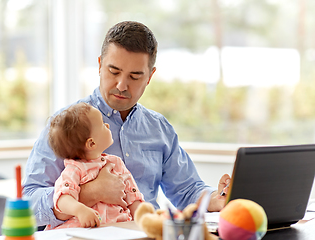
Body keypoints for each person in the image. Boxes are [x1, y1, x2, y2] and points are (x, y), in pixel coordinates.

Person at [23, 20, 231, 229]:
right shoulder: (66, 125)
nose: (122, 85)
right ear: (99, 65)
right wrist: (90, 192)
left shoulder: (159, 128)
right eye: (114, 72)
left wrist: (217, 197)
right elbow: (28, 205)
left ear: (149, 77)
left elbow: (187, 190)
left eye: (134, 76)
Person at [46, 102, 144, 229]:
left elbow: (133, 197)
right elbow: (62, 198)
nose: (107, 125)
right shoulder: (74, 169)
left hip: (118, 228)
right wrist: (80, 210)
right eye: (103, 124)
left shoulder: (116, 163)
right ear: (91, 144)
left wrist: (145, 218)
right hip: (84, 230)